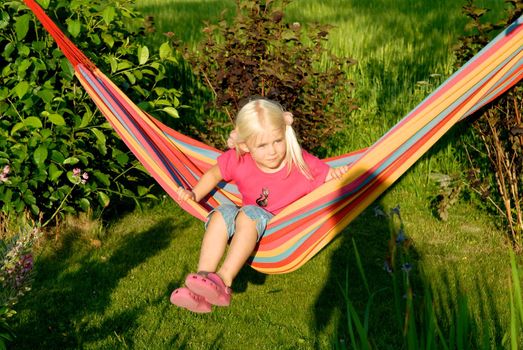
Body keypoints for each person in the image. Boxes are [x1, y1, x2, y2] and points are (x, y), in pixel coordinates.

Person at [170, 98, 349, 313]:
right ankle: (203, 282)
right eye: (262, 145)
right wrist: (194, 193)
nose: (272, 151)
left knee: (248, 214)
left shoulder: (299, 161)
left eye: (278, 141)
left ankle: (224, 280)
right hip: (245, 222)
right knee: (222, 213)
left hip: (276, 228)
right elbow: (214, 173)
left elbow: (328, 176)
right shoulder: (239, 159)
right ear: (246, 146)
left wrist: (339, 174)